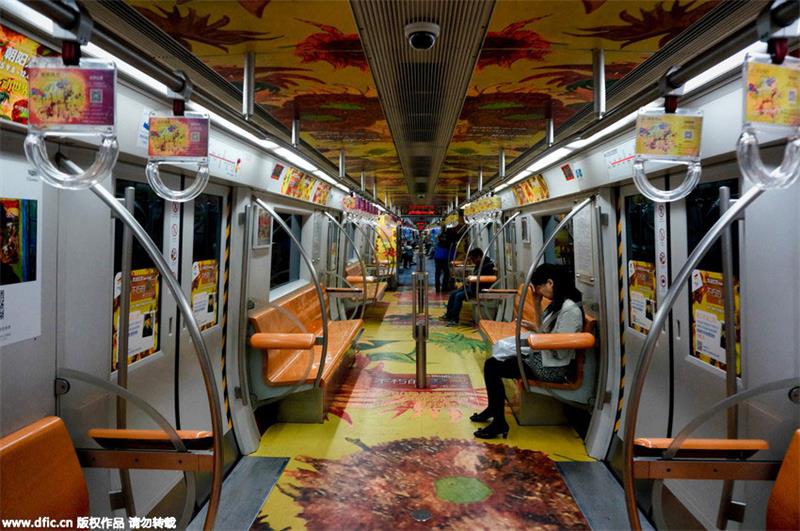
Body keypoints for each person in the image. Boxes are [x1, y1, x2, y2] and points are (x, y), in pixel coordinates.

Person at [471, 263, 583, 439]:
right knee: (493, 363)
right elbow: (545, 331)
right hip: (543, 357)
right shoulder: (558, 304)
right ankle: (494, 411)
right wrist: (537, 306)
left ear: (550, 283)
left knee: (492, 367)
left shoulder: (570, 311)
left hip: (551, 368)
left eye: (539, 288)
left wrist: (536, 339)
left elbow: (560, 349)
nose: (538, 293)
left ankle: (498, 420)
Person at [440, 248, 495, 325]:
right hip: (473, 287)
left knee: (458, 296)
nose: (472, 262)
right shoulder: (480, 264)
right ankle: (449, 315)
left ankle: (455, 319)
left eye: (473, 259)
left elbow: (481, 279)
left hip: (479, 289)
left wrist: (469, 282)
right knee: (453, 294)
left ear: (479, 257)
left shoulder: (487, 266)